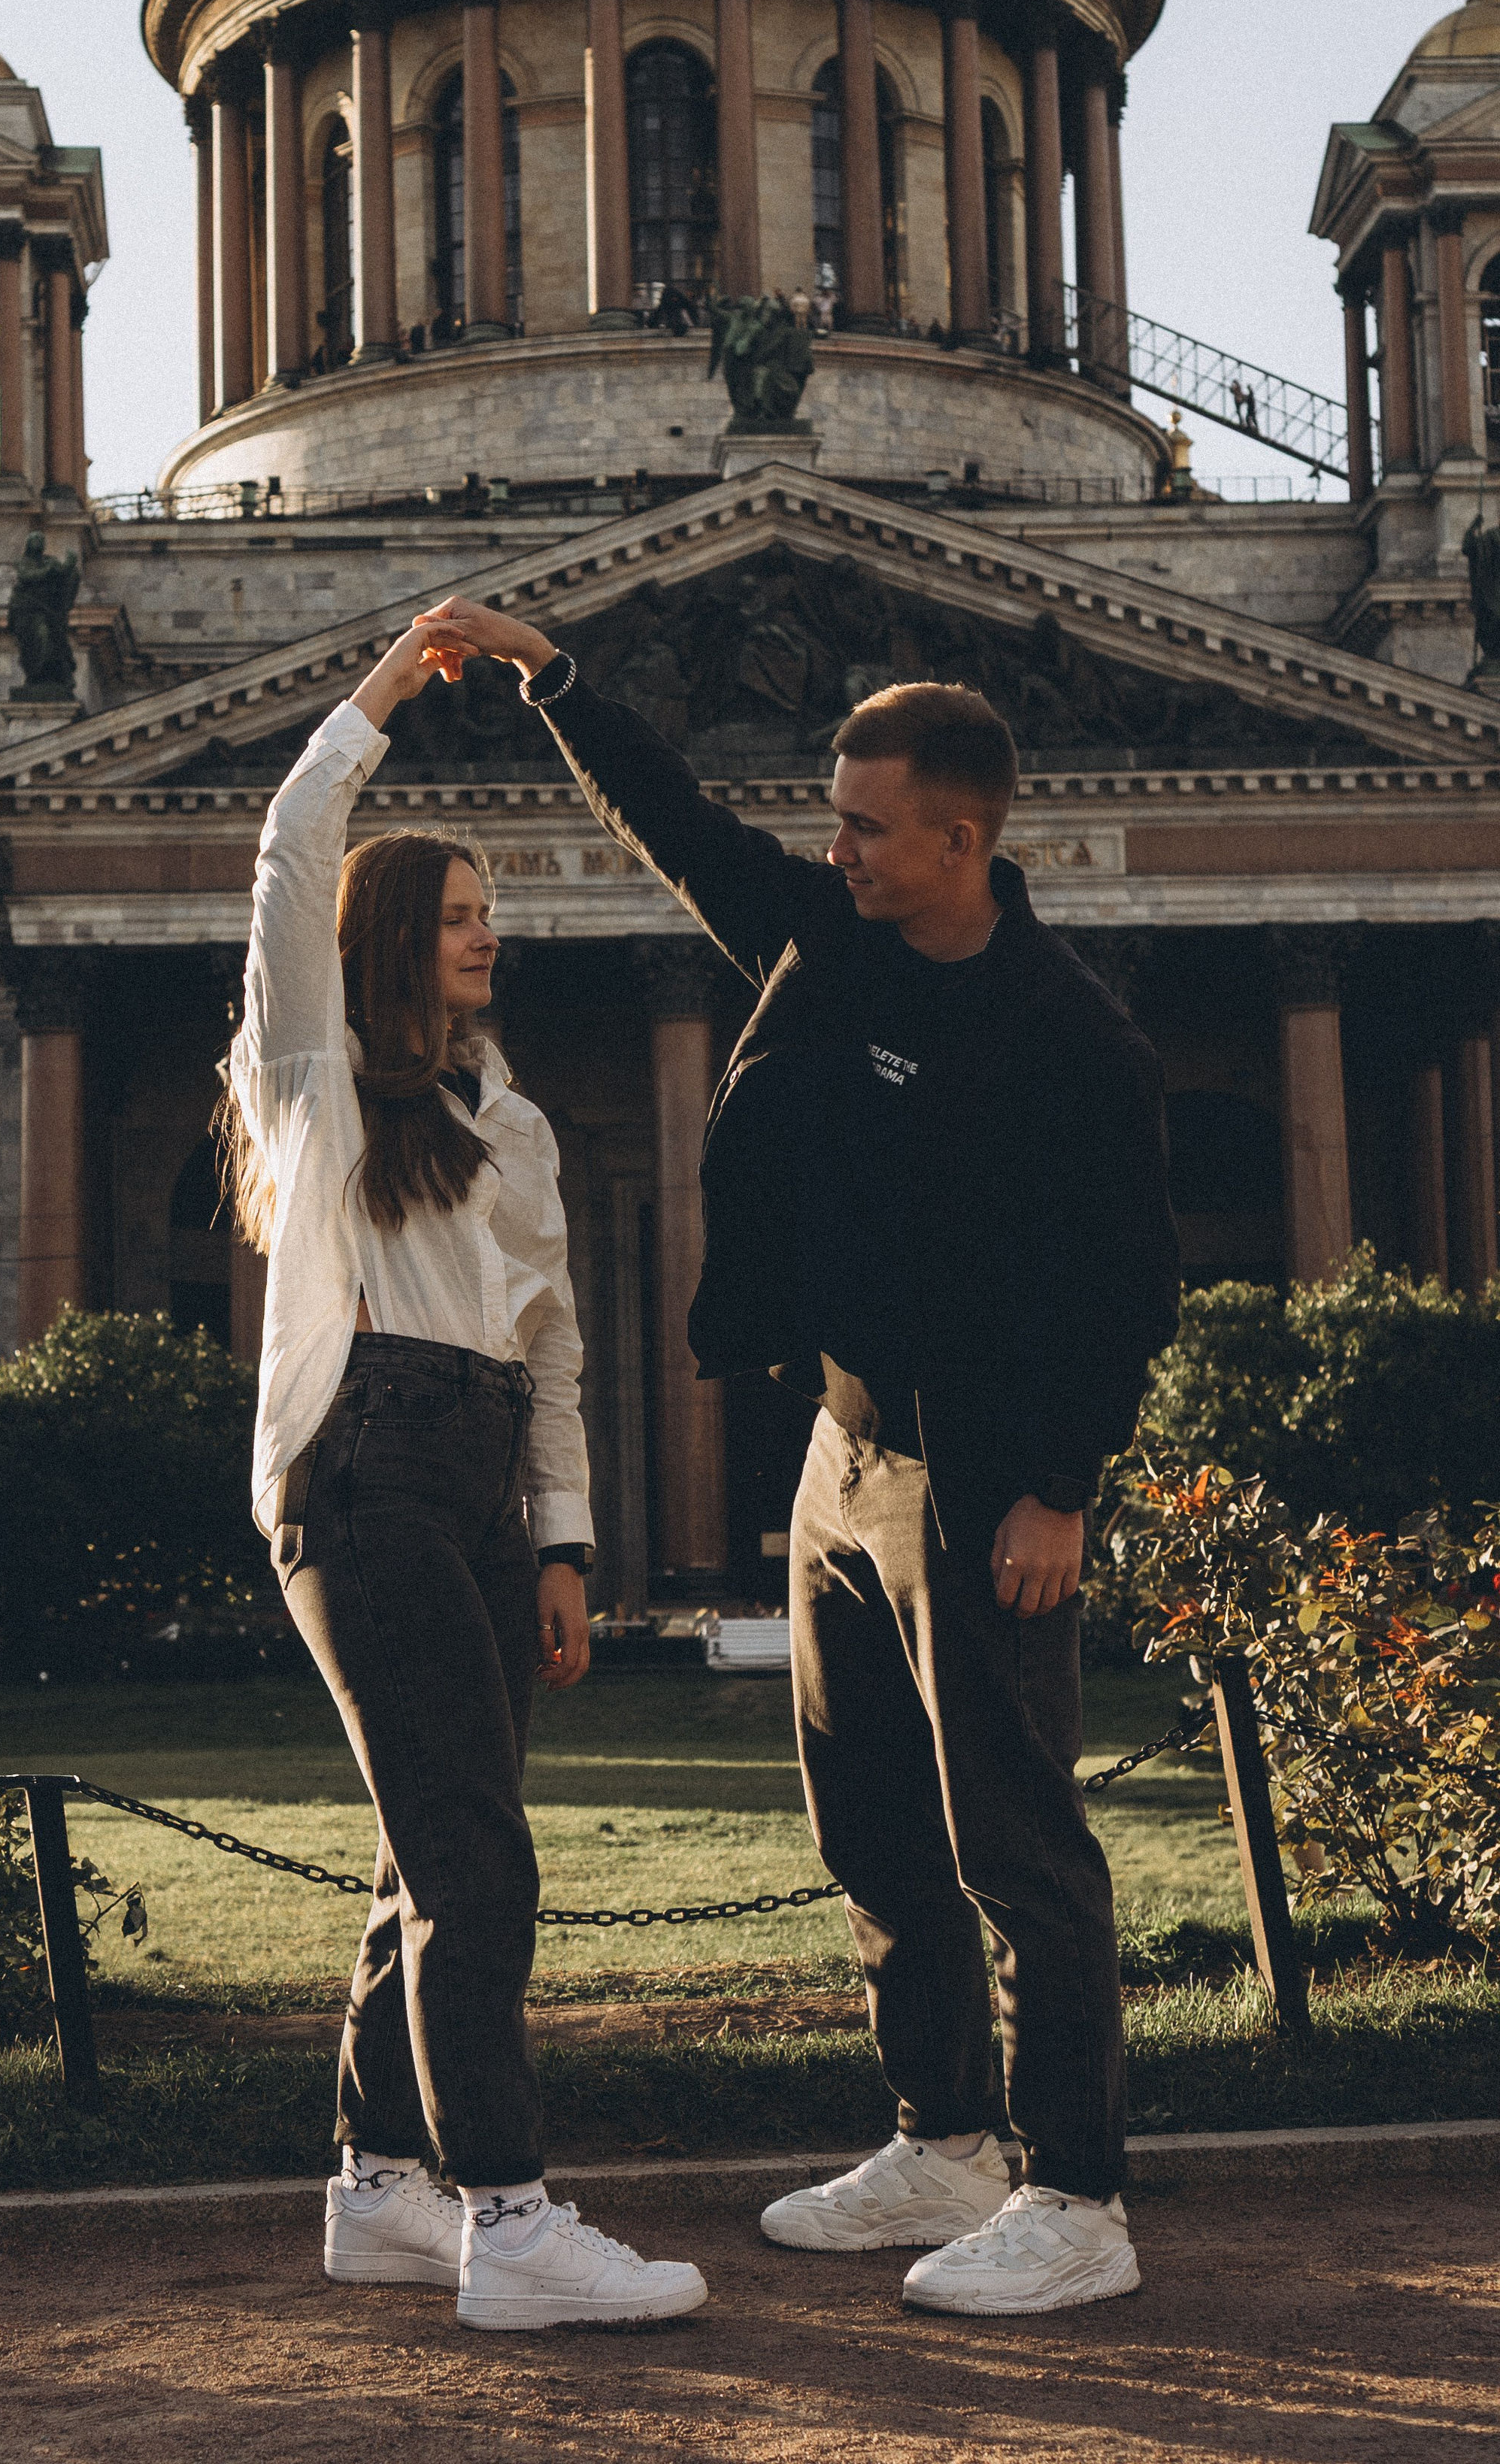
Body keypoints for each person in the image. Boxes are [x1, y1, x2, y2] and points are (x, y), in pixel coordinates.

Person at [414, 595, 1180, 2320]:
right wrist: (556, 685)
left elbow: (1126, 1288)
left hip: (986, 1476)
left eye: (859, 824)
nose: (826, 844)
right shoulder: (823, 941)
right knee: (875, 1831)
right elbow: (676, 824)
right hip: (839, 1455)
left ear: (958, 839)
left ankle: (1077, 2192)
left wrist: (1058, 1485)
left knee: (1018, 1843)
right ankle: (944, 2142)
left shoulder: (1072, 1038)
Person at [223, 619, 708, 2332]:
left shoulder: (514, 1125)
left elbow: (556, 1349)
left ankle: (376, 2185)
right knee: (473, 1858)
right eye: (454, 911)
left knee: (413, 1852)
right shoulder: (313, 1096)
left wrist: (565, 1544)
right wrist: (385, 690)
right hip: (362, 1471)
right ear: (384, 945)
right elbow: (291, 845)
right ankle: (507, 2216)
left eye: (488, 909)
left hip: (482, 1483)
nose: (486, 930)